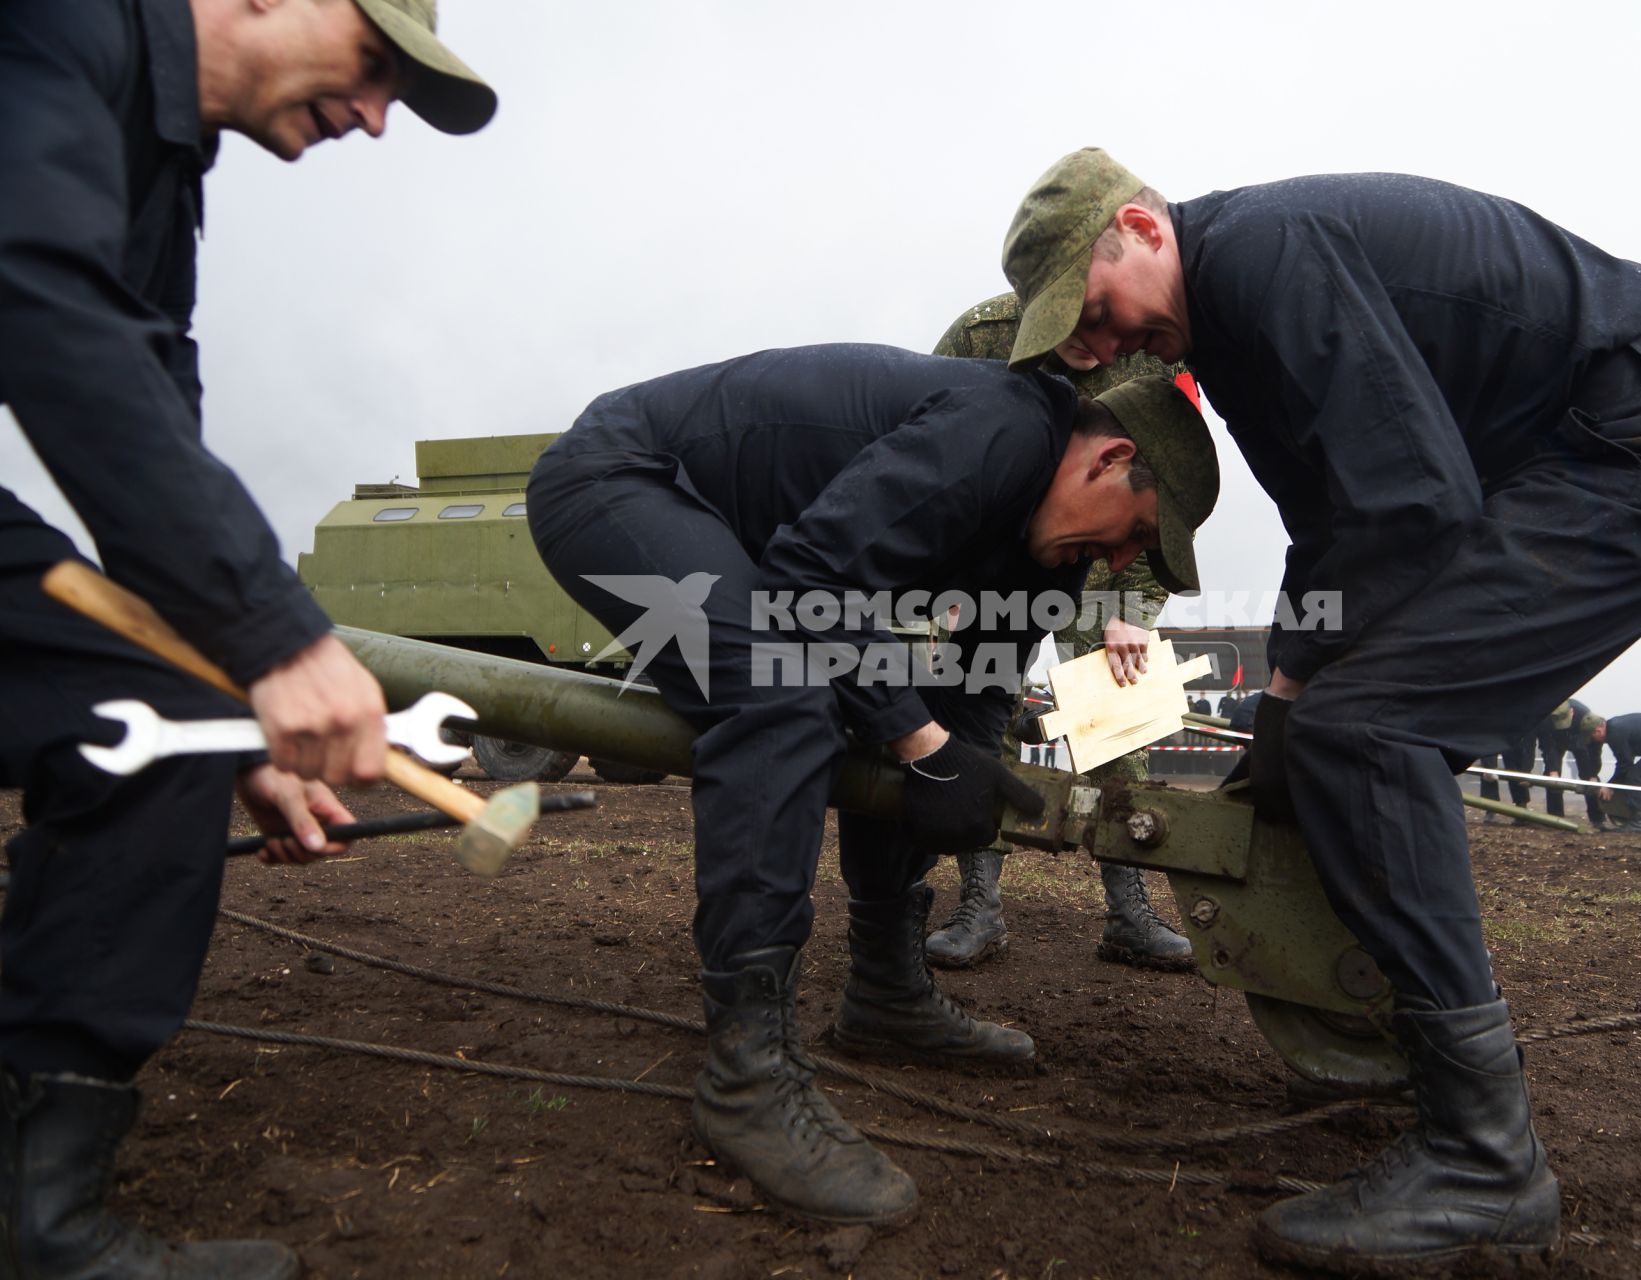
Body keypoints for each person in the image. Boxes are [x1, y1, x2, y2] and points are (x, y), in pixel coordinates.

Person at [999, 148, 1641, 1270]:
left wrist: (1317, 708)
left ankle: (1484, 1158)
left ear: (1141, 227)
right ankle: (1417, 1058)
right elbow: (1332, 521)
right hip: (1568, 462)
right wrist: (1285, 709)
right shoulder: (1233, 324)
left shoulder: (1258, 257)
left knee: (1370, 731)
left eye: (1096, 307)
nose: (1100, 345)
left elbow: (1413, 505)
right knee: (1325, 732)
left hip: (1637, 455)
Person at [0, 2, 495, 1275]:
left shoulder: (161, 166)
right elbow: (39, 293)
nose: (378, 117)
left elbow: (152, 392)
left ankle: (35, 1215)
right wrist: (275, 634)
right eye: (376, 66)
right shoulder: (60, 28)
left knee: (142, 735)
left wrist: (221, 711)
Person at [525, 344, 1216, 1226]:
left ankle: (886, 994)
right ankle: (747, 1076)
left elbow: (973, 692)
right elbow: (810, 576)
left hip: (747, 541)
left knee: (898, 715)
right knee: (781, 698)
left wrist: (956, 777)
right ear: (1110, 459)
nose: (1123, 562)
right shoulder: (1001, 432)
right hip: (624, 480)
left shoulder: (1054, 555)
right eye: (1138, 533)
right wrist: (921, 740)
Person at [925, 292, 1196, 971]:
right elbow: (928, 453)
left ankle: (1130, 910)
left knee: (1122, 717)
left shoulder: (1154, 354)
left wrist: (1136, 612)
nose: (1094, 343)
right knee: (983, 715)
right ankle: (979, 905)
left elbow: (1172, 490)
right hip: (993, 555)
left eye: (1106, 325)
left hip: (1105, 554)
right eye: (1072, 324)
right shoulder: (982, 335)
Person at [1539, 699, 1607, 828]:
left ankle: (1597, 819)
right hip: (1555, 742)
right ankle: (1555, 817)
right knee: (1552, 778)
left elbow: (1593, 750)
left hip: (1580, 742)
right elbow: (1548, 745)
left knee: (1590, 779)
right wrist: (1553, 771)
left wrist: (1593, 774)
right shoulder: (1546, 717)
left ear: (1572, 711)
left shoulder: (1585, 717)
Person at [1476, 729, 1536, 820]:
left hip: (1512, 728)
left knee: (1515, 764)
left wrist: (1527, 770)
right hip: (1492, 727)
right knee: (1489, 767)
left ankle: (1521, 804)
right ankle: (1490, 807)